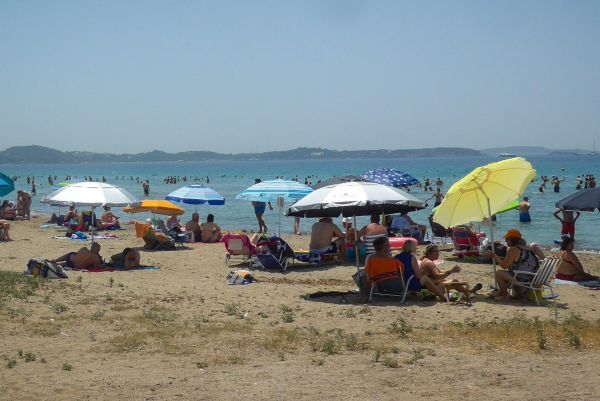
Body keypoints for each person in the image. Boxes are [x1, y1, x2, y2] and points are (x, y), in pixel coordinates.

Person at [486, 229, 544, 301]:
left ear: (511, 240)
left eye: (506, 239)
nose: (505, 241)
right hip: (532, 277)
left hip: (523, 279)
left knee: (499, 273)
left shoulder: (513, 249)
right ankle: (501, 293)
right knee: (505, 275)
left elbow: (504, 266)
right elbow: (520, 260)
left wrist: (495, 256)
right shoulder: (528, 248)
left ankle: (504, 294)